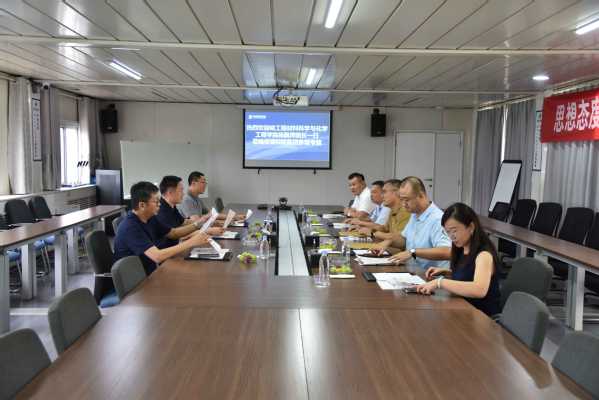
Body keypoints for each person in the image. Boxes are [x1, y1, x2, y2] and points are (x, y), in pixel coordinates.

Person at [413, 203, 502, 317]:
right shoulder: (462, 249)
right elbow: (470, 274)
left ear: (471, 227)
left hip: (482, 317)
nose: (451, 236)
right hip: (464, 310)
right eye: (448, 232)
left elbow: (479, 290)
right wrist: (448, 272)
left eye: (454, 231)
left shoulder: (484, 255)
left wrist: (440, 282)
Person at [114, 181, 211, 275]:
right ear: (142, 205)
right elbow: (157, 256)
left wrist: (198, 224)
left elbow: (173, 233)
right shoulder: (130, 227)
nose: (159, 204)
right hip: (139, 278)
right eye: (156, 202)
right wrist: (191, 242)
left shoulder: (150, 217)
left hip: (151, 271)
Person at [374, 176, 451, 269]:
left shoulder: (437, 219)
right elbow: (404, 240)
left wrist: (413, 252)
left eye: (407, 200)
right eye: (401, 199)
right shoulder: (415, 214)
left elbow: (447, 251)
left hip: (429, 275)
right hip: (412, 270)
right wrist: (389, 242)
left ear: (421, 195)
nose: (403, 204)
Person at [155, 175, 223, 248]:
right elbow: (175, 234)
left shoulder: (171, 206)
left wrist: (204, 221)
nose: (183, 193)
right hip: (169, 250)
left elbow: (184, 222)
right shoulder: (161, 211)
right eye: (181, 190)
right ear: (170, 192)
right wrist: (203, 227)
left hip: (176, 245)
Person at [357, 179, 410, 252]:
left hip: (400, 254)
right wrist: (370, 230)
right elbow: (384, 228)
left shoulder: (405, 211)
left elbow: (399, 238)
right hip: (392, 251)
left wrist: (373, 233)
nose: (382, 196)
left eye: (384, 192)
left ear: (397, 193)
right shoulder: (393, 210)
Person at [179, 171, 244, 221]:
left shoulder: (197, 198)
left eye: (205, 182)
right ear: (193, 183)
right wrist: (214, 221)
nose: (205, 185)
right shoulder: (187, 199)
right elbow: (196, 222)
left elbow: (212, 214)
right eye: (203, 182)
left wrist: (234, 217)